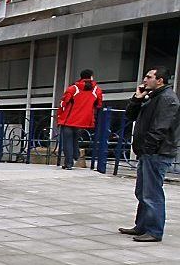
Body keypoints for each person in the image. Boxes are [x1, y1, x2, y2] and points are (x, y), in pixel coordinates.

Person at [118, 67, 179, 243]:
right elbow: (131, 116)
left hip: (157, 153)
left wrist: (148, 148)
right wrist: (137, 99)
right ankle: (142, 226)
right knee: (143, 191)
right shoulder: (152, 97)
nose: (145, 80)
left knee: (152, 193)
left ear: (160, 80)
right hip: (148, 153)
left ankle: (154, 230)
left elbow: (160, 128)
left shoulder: (167, 99)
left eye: (149, 77)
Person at [57, 69, 103, 170]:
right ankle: (75, 155)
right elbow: (99, 105)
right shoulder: (96, 90)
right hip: (83, 122)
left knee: (67, 141)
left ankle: (69, 163)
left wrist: (60, 116)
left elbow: (63, 103)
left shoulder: (73, 89)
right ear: (91, 77)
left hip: (68, 120)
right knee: (75, 139)